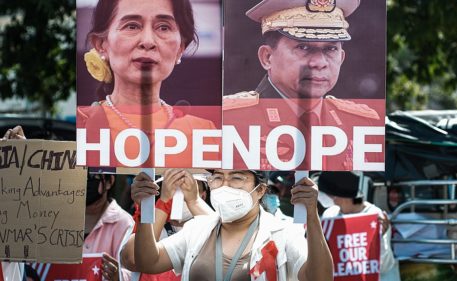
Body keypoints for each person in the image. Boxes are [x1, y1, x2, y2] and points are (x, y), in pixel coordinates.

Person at [222, 0, 383, 170]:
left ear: (341, 58)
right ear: (267, 57)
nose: (319, 62)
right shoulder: (228, 120)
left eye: (330, 49)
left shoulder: (362, 124)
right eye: (303, 47)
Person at [77, 0, 219, 167]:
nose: (148, 41)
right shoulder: (80, 125)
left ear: (180, 48)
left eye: (163, 27)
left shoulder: (204, 133)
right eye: (132, 26)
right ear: (101, 44)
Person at [127, 169, 333, 281]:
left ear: (260, 190)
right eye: (217, 178)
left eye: (236, 178)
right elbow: (148, 262)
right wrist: (147, 207)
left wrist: (312, 216)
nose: (225, 186)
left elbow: (321, 278)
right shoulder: (198, 228)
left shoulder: (283, 233)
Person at [2, 126, 134, 281]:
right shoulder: (52, 216)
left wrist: (119, 276)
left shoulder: (123, 223)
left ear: (109, 182)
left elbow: (133, 272)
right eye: (78, 176)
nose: (83, 183)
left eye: (90, 178)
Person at [319, 171, 400, 281]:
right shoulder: (330, 216)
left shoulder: (376, 217)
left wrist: (381, 237)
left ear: (339, 197)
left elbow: (385, 266)